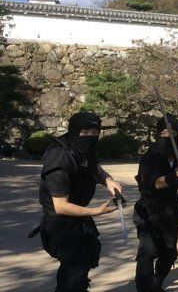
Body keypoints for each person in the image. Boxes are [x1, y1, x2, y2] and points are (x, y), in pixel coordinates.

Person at [36, 111, 123, 292]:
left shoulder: (84, 149)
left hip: (77, 219)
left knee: (85, 259)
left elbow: (96, 169)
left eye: (95, 133)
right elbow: (61, 207)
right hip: (59, 222)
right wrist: (97, 211)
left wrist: (109, 181)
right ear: (74, 131)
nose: (90, 137)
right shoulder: (60, 158)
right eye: (85, 133)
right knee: (75, 267)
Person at [134, 114, 178, 292]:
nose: (169, 136)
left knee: (169, 253)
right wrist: (173, 177)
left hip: (171, 209)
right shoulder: (150, 156)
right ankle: (144, 287)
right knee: (148, 251)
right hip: (149, 208)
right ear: (157, 133)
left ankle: (156, 283)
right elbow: (154, 182)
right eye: (164, 132)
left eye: (173, 132)